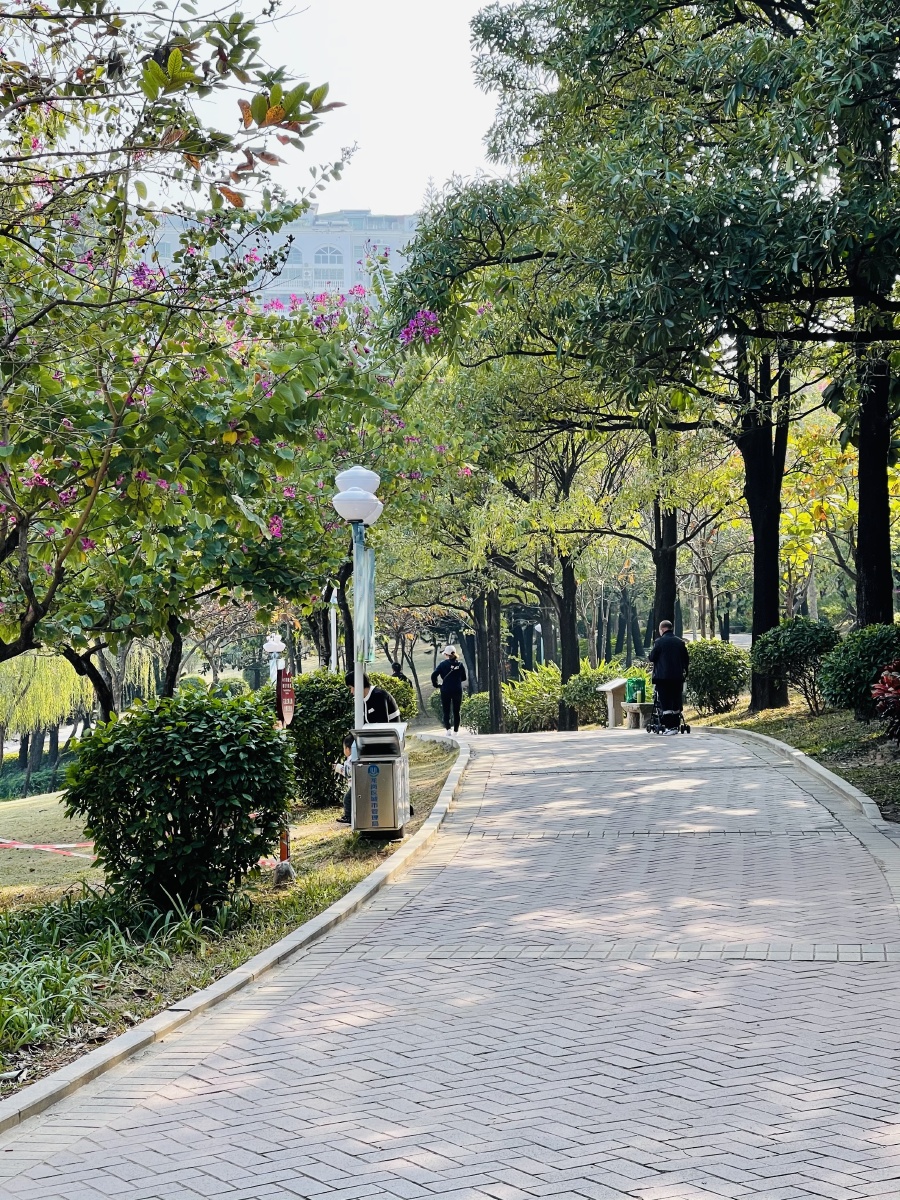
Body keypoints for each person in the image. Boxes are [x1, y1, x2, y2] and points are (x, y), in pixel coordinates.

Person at [648, 619, 689, 733]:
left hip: (662, 678)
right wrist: (685, 672)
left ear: (662, 629)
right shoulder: (680, 642)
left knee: (665, 702)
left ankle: (669, 727)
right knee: (676, 701)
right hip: (677, 678)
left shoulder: (659, 642)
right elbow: (686, 659)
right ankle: (676, 725)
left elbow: (652, 657)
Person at [431, 644, 467, 733]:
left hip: (446, 689)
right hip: (457, 689)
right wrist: (457, 680)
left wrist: (436, 685)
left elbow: (434, 675)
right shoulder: (460, 665)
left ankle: (448, 730)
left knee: (446, 710)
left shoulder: (443, 664)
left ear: (446, 654)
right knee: (456, 711)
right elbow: (464, 678)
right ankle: (456, 731)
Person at [335, 733, 355, 823]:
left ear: (347, 749)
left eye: (344, 748)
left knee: (347, 799)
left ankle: (348, 817)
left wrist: (338, 768)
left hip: (354, 784)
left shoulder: (350, 760)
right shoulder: (354, 758)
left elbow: (348, 773)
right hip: (355, 783)